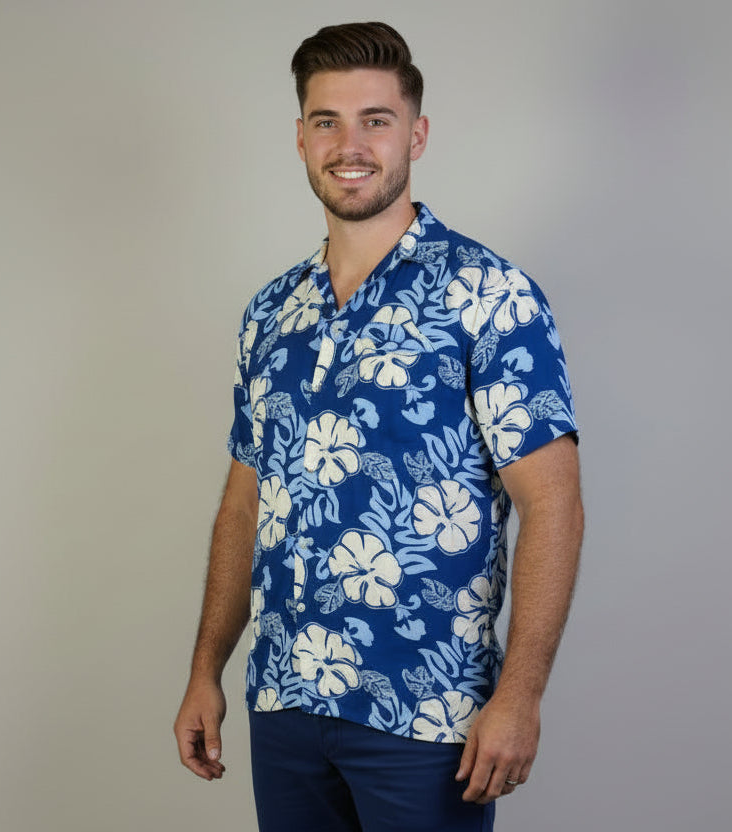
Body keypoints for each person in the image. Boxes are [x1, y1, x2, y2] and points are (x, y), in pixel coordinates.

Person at [174, 21, 584, 832]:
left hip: (427, 719)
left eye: (376, 119)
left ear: (416, 134)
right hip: (284, 704)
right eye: (327, 120)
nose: (349, 143)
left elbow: (553, 506)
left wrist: (521, 696)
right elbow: (243, 506)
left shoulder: (488, 295)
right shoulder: (270, 313)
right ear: (300, 138)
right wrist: (205, 670)